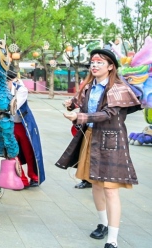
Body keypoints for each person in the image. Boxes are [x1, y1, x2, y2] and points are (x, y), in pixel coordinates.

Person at [57, 49, 140, 248]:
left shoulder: (119, 88)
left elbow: (108, 113)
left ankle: (112, 238)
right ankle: (102, 223)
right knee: (95, 184)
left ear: (111, 66)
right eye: (92, 62)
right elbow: (82, 106)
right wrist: (71, 106)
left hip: (111, 143)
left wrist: (80, 116)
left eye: (99, 63)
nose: (94, 66)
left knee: (110, 190)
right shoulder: (89, 87)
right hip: (91, 137)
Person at [7, 69, 45, 188]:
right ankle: (21, 179)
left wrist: (12, 88)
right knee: (12, 153)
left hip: (23, 125)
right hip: (10, 125)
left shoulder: (21, 89)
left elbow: (14, 106)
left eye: (6, 81)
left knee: (29, 152)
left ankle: (34, 176)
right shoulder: (1, 89)